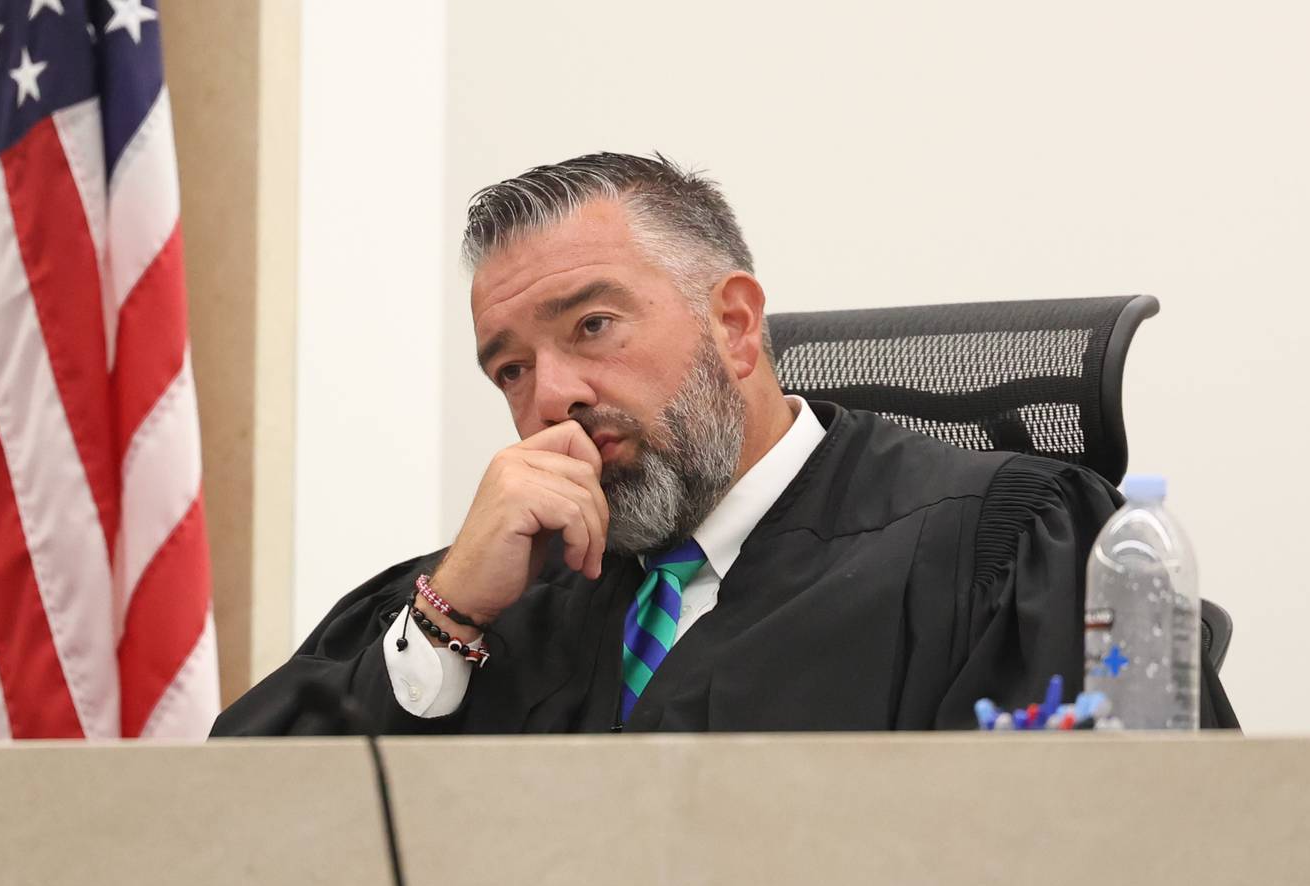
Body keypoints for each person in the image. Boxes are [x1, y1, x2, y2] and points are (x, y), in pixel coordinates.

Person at [214, 153, 1236, 736]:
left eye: (592, 327)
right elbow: (228, 841)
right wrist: (443, 614)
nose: (551, 397)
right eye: (510, 368)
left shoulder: (1002, 552)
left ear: (737, 326)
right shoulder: (500, 599)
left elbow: (1119, 870)